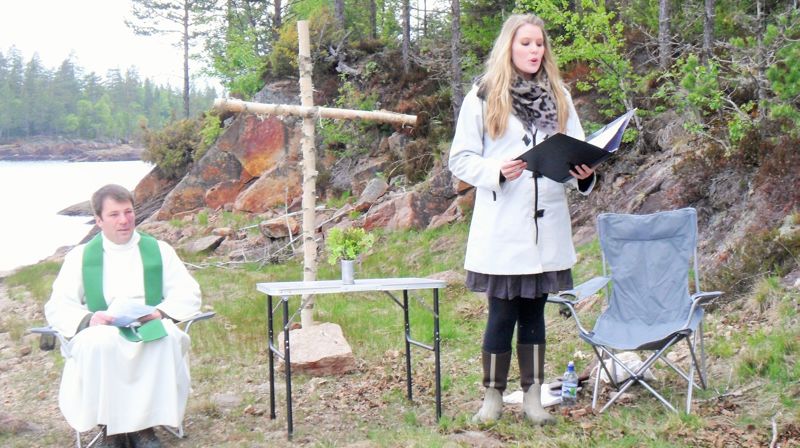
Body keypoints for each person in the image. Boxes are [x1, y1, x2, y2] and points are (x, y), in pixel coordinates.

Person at [448, 14, 596, 425]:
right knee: (502, 313)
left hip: (546, 224)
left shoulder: (559, 95)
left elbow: (576, 152)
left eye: (539, 44)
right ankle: (492, 398)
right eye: (525, 43)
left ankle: (532, 398)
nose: (534, 51)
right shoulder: (483, 95)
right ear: (509, 47)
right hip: (503, 224)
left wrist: (583, 173)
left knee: (535, 314)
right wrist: (496, 170)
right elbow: (460, 159)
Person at [44, 184, 202, 448]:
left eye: (128, 212)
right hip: (102, 327)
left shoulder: (158, 250)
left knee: (165, 339)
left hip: (147, 323)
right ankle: (111, 430)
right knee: (100, 343)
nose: (124, 220)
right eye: (114, 214)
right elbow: (59, 304)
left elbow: (187, 291)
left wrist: (160, 311)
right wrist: (89, 319)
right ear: (98, 220)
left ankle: (144, 429)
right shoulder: (81, 257)